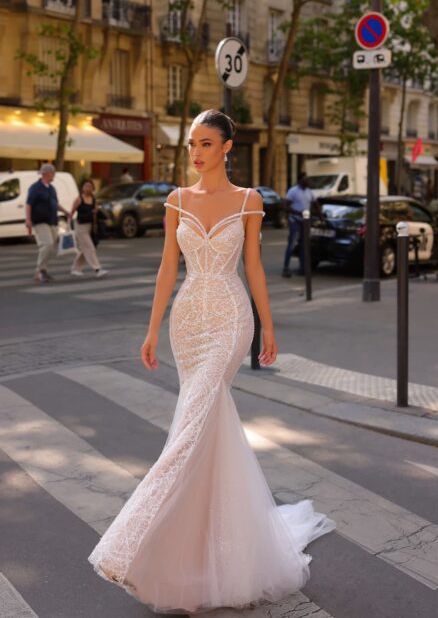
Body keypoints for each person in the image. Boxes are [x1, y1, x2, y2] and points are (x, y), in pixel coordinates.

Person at [88, 110, 335, 613]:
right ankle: (198, 550)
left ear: (226, 147)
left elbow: (253, 268)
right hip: (187, 323)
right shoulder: (177, 198)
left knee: (190, 428)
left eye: (205, 143)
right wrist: (153, 328)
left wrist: (267, 324)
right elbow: (166, 268)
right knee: (199, 430)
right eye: (191, 145)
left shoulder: (249, 200)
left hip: (228, 320)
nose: (196, 153)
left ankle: (130, 543)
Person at [25, 163, 71, 283]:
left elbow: (55, 204)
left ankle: (42, 271)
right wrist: (28, 219)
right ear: (47, 173)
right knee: (47, 244)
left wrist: (66, 211)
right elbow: (28, 203)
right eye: (53, 173)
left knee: (50, 248)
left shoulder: (51, 188)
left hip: (52, 220)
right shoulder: (35, 187)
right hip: (40, 221)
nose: (54, 175)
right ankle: (40, 271)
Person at [69, 179, 108, 278]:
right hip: (80, 227)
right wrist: (69, 226)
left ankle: (75, 268)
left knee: (86, 249)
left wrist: (96, 213)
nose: (88, 188)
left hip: (90, 227)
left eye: (90, 186)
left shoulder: (93, 199)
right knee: (89, 248)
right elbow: (71, 213)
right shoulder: (79, 199)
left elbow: (95, 213)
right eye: (86, 186)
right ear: (82, 188)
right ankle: (97, 269)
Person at [282, 173, 316, 277]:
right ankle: (286, 268)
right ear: (300, 180)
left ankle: (303, 268)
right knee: (292, 244)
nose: (308, 181)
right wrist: (297, 213)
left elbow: (316, 205)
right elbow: (285, 206)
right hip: (295, 220)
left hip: (305, 222)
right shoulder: (293, 191)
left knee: (304, 245)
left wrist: (321, 218)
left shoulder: (310, 192)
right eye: (306, 179)